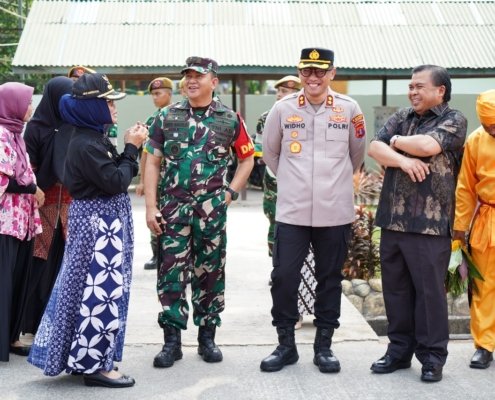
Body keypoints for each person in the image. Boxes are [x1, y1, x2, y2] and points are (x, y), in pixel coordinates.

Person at [28, 73, 147, 388]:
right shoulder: (85, 144)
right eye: (108, 102)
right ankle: (95, 366)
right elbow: (117, 181)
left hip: (100, 225)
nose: (114, 107)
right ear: (92, 107)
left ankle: (85, 358)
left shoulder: (91, 137)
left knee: (89, 291)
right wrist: (132, 148)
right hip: (99, 228)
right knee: (100, 293)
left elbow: (116, 173)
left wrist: (128, 151)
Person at [144, 56, 254, 368]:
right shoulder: (167, 116)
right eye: (188, 76)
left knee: (211, 273)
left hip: (211, 214)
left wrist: (230, 193)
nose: (191, 81)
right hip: (173, 212)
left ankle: (207, 338)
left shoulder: (230, 119)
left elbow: (247, 159)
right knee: (171, 274)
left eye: (199, 76)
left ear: (213, 82)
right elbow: (152, 161)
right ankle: (172, 342)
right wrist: (151, 206)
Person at [260, 48, 366, 373]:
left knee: (329, 279)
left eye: (321, 71)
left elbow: (357, 155)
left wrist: (330, 184)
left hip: (334, 212)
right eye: (307, 71)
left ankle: (324, 347)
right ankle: (286, 345)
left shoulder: (349, 109)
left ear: (332, 73)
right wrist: (294, 181)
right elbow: (270, 154)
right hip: (292, 212)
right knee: (283, 277)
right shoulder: (283, 108)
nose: (313, 77)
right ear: (300, 73)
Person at [368, 65, 467, 383]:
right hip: (393, 220)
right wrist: (403, 160)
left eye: (419, 86)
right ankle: (398, 351)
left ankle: (432, 357)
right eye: (410, 86)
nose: (412, 92)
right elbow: (374, 147)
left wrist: (396, 141)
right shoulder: (402, 116)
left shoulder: (454, 119)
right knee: (395, 291)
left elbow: (428, 146)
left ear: (440, 90)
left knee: (429, 295)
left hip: (430, 225)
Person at [256, 75, 316, 329]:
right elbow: (264, 153)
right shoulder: (267, 117)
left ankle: (309, 304)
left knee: (311, 250)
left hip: (309, 191)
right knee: (278, 237)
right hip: (276, 187)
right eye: (280, 91)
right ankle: (280, 275)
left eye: (290, 91)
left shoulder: (311, 115)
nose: (284, 95)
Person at [22, 76, 74, 338]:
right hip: (42, 206)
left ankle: (58, 327)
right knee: (39, 266)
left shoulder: (74, 126)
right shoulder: (36, 128)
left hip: (69, 209)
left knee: (64, 266)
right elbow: (27, 169)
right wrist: (39, 185)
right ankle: (31, 325)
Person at [0, 82, 44, 361]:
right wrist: (33, 188)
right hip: (5, 222)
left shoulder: (16, 134)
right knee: (4, 282)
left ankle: (12, 337)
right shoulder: (1, 135)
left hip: (21, 221)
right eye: (27, 102)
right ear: (12, 105)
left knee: (17, 280)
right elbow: (4, 180)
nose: (30, 107)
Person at [453, 89, 495, 369]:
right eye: (488, 125)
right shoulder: (475, 140)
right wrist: (459, 231)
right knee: (483, 287)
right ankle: (484, 345)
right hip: (486, 221)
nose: (493, 130)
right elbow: (465, 188)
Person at [136, 77, 174, 270]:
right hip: (156, 179)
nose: (154, 97)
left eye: (158, 93)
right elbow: (146, 154)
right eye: (152, 94)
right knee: (155, 213)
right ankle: (156, 254)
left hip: (174, 178)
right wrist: (143, 181)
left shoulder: (179, 115)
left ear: (169, 94)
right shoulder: (152, 120)